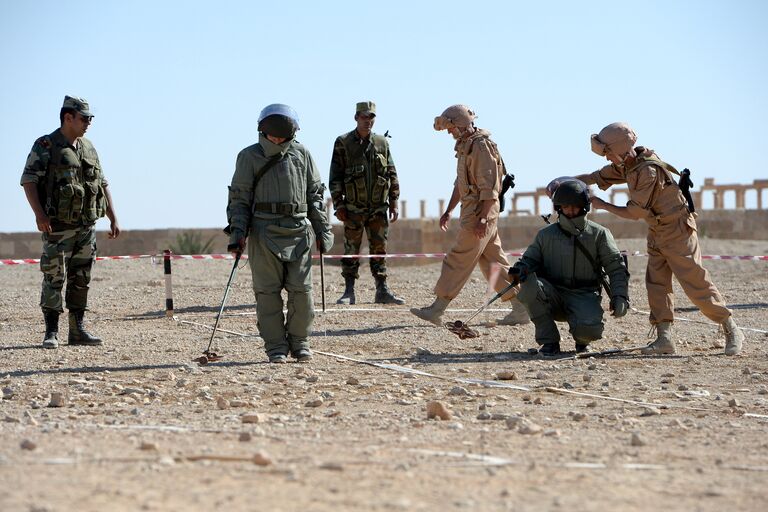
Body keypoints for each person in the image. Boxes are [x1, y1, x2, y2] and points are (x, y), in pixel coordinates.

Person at [575, 122, 744, 355]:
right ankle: (664, 339)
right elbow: (596, 176)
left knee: (694, 282)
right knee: (657, 283)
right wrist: (567, 181)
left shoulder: (647, 171)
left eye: (608, 153)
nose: (606, 159)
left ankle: (730, 327)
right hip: (657, 229)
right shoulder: (629, 164)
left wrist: (601, 204)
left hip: (676, 229)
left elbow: (635, 212)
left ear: (621, 149)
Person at [226, 104, 333, 363]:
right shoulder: (248, 156)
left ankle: (300, 343)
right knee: (267, 293)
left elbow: (315, 195)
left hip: (298, 230)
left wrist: (322, 229)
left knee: (302, 292)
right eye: (272, 136)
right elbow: (239, 198)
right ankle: (275, 347)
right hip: (263, 231)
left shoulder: (302, 154)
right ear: (262, 131)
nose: (276, 140)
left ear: (292, 134)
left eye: (282, 137)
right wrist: (237, 233)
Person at [410, 104, 529, 326]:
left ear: (461, 124)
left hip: (479, 213)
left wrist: (483, 219)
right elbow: (461, 183)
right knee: (493, 262)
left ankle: (437, 308)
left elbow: (490, 189)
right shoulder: (466, 146)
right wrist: (449, 210)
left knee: (459, 257)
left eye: (450, 127)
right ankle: (521, 308)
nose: (449, 132)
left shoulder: (481, 147)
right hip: (475, 212)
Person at [20, 95, 120, 349]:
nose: (89, 123)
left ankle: (77, 331)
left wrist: (112, 216)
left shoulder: (88, 147)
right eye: (84, 118)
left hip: (86, 228)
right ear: (68, 117)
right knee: (54, 277)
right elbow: (29, 180)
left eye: (90, 118)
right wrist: (39, 215)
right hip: (58, 227)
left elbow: (102, 183)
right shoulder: (46, 145)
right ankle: (51, 332)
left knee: (81, 278)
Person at [509, 179, 629, 355]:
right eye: (566, 207)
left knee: (590, 331)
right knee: (529, 285)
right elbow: (530, 259)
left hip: (584, 295)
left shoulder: (600, 234)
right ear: (559, 208)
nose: (571, 211)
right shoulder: (545, 235)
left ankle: (582, 340)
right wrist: (520, 269)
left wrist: (620, 296)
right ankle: (549, 342)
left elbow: (616, 268)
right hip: (552, 294)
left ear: (585, 207)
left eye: (576, 206)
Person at [328, 101, 404, 305]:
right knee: (351, 249)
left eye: (371, 117)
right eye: (363, 117)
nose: (367, 121)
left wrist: (394, 201)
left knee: (379, 249)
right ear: (356, 118)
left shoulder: (382, 143)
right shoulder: (343, 142)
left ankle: (382, 290)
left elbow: (391, 173)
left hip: (378, 208)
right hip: (353, 209)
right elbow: (335, 177)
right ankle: (349, 291)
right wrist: (339, 205)